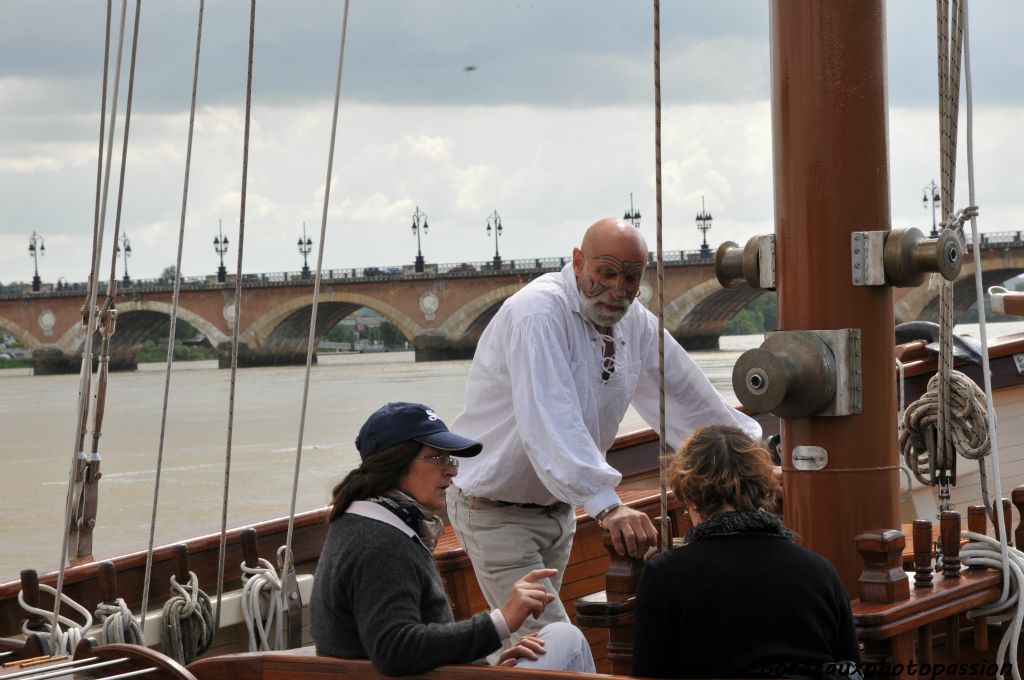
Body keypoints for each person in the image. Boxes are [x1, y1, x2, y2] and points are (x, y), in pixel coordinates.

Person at [446, 218, 762, 638]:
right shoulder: (537, 312)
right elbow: (549, 416)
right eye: (606, 273)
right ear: (577, 262)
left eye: (631, 277)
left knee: (525, 648)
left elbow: (686, 394)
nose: (618, 289)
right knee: (550, 645)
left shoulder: (636, 323)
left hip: (560, 511)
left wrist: (753, 457)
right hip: (494, 512)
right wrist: (608, 505)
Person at [309, 402, 595, 676]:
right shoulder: (379, 543)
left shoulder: (368, 524)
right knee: (566, 639)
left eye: (450, 458)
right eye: (438, 458)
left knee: (556, 637)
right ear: (395, 463)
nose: (453, 470)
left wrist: (482, 667)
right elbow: (394, 648)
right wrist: (499, 622)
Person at [631, 424, 861, 679]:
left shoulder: (664, 575)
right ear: (763, 489)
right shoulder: (819, 569)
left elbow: (648, 672)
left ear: (691, 498)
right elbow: (850, 667)